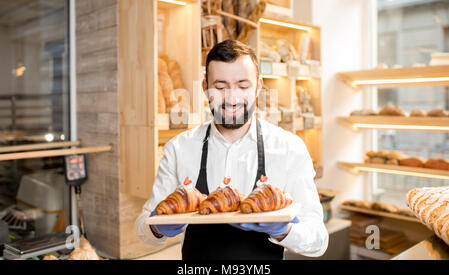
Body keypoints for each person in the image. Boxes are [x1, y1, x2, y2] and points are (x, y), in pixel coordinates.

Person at [135, 40, 328, 259]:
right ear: (205, 88)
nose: (231, 98)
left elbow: (318, 241)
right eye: (220, 86)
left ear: (258, 87)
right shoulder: (179, 148)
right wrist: (158, 228)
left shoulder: (289, 148)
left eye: (243, 86)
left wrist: (284, 230)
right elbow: (144, 229)